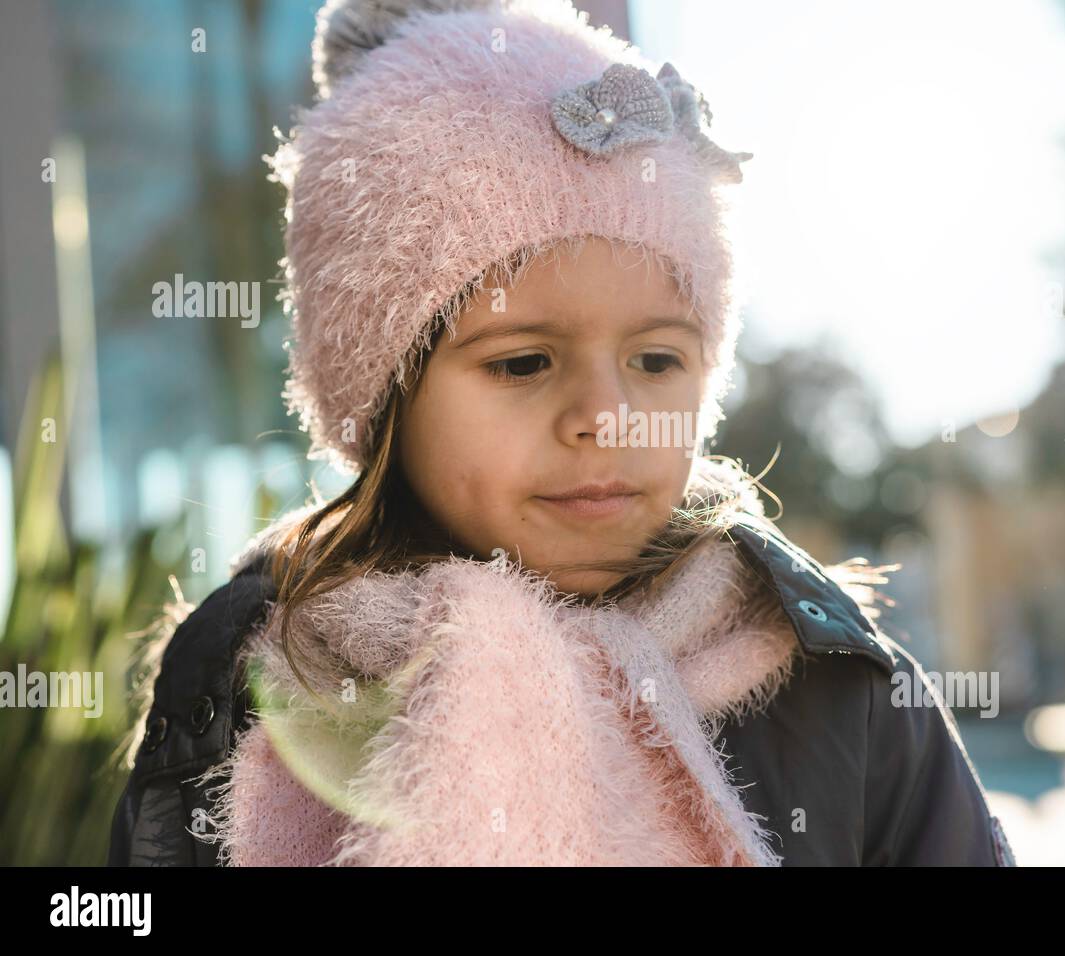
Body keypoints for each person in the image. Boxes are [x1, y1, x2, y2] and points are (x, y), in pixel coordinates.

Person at [106, 0, 1016, 867]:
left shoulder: (836, 686)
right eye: (521, 364)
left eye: (657, 361)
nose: (603, 418)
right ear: (384, 392)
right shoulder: (251, 676)